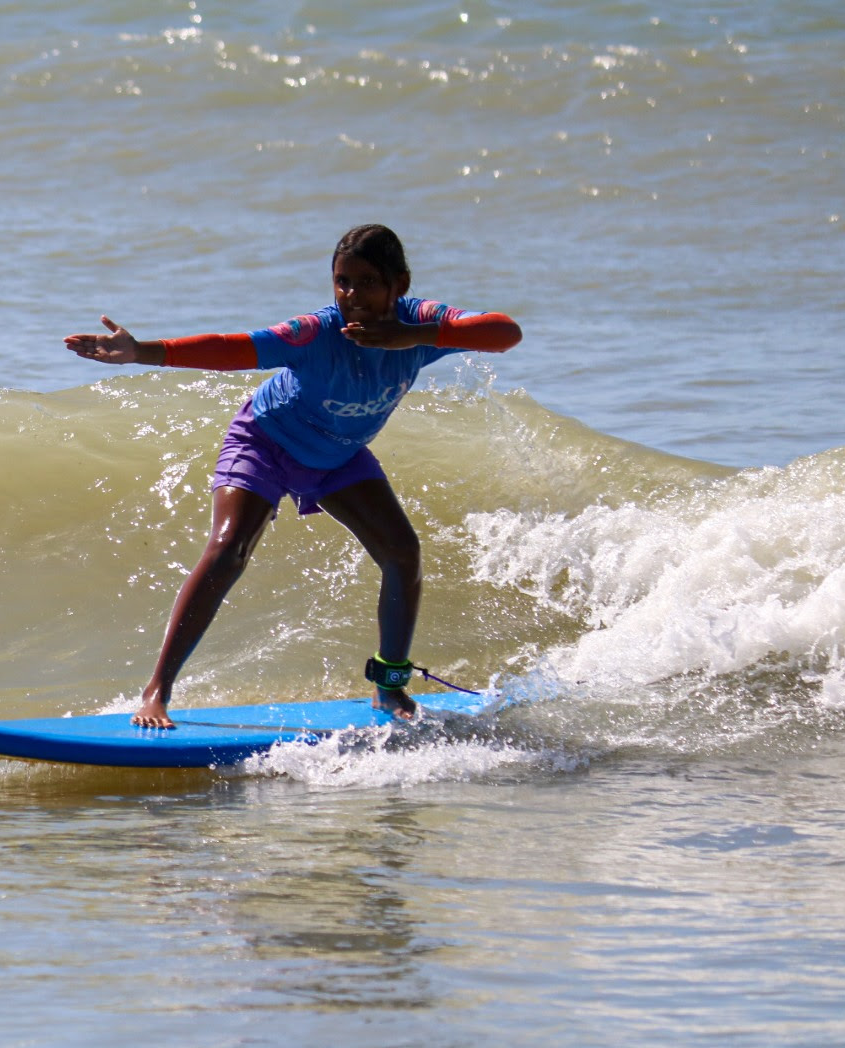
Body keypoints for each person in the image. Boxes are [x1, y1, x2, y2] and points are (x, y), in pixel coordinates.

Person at [64, 224, 522, 728]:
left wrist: (411, 336)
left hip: (338, 456)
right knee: (229, 548)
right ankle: (156, 692)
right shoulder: (317, 332)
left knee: (403, 554)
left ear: (400, 283)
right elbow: (234, 347)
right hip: (265, 441)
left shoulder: (423, 325)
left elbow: (505, 332)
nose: (352, 296)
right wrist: (143, 351)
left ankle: (388, 689)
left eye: (367, 282)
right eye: (342, 281)